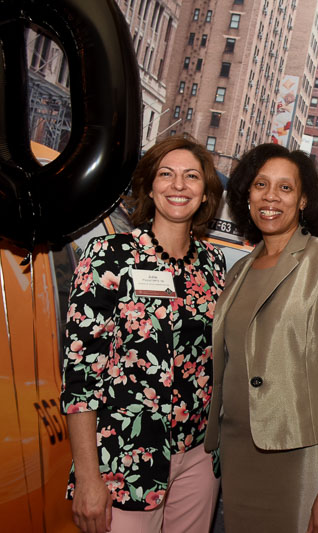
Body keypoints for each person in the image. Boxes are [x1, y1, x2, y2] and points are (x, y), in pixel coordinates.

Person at [61, 135, 225, 532]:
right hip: (126, 458)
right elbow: (81, 375)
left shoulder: (214, 265)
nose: (178, 185)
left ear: (205, 194)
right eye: (166, 175)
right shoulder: (108, 255)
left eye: (191, 177)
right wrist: (87, 476)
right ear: (149, 187)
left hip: (200, 456)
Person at [205, 143, 318, 532]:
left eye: (285, 188)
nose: (271, 197)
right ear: (246, 195)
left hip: (304, 459)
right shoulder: (240, 269)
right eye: (261, 184)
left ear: (303, 200)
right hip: (238, 451)